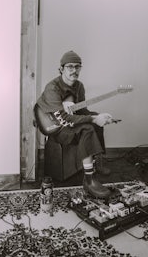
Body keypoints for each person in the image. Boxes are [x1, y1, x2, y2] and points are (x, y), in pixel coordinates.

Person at [35, 50, 114, 198]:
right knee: (88, 128)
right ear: (61, 69)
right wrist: (92, 119)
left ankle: (97, 163)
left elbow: (82, 110)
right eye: (70, 66)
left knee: (96, 120)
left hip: (66, 119)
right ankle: (89, 180)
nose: (74, 70)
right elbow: (63, 119)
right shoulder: (52, 88)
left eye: (77, 67)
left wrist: (97, 117)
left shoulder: (79, 86)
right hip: (53, 125)